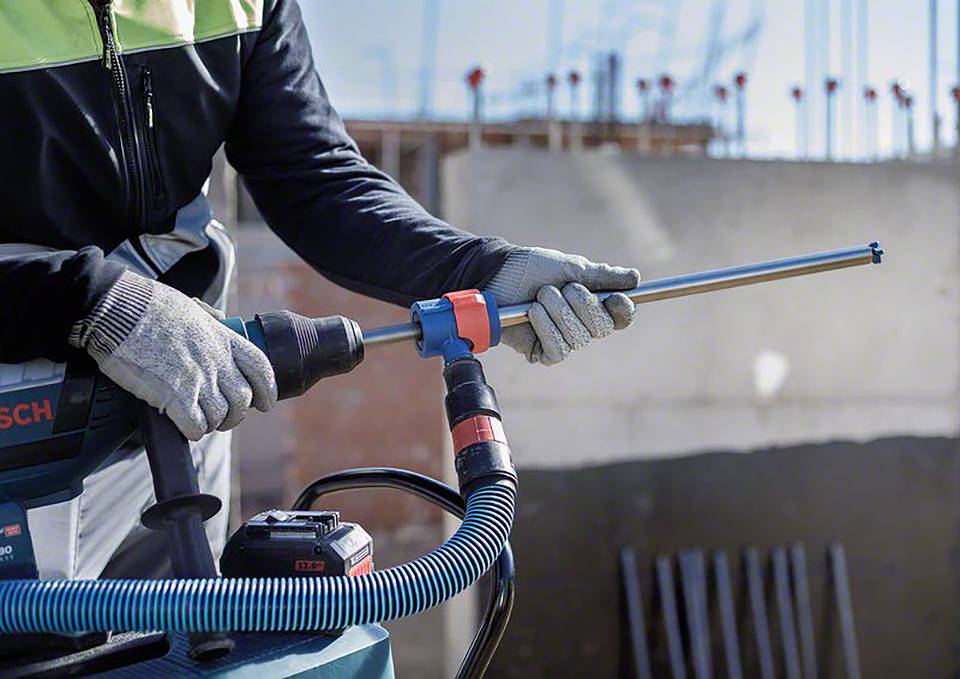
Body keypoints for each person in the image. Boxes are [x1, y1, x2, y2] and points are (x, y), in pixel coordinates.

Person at [0, 0, 639, 579]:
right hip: (23, 428)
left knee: (176, 651)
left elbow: (311, 174)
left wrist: (479, 272)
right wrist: (89, 301)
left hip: (184, 406)